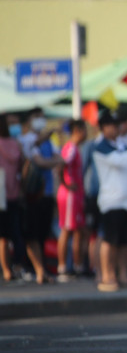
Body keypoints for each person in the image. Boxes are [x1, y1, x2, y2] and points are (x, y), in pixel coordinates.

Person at [92, 111, 127, 292]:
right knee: (109, 241)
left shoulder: (122, 144)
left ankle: (122, 275)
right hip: (111, 201)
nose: (116, 128)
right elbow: (122, 162)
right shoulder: (100, 146)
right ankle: (107, 275)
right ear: (103, 127)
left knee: (123, 242)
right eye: (112, 125)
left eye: (117, 125)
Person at [19, 108, 61, 284]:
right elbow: (40, 161)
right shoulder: (27, 139)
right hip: (32, 195)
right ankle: (30, 268)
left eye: (42, 117)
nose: (40, 120)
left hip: (48, 193)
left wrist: (50, 162)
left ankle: (41, 270)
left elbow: (59, 159)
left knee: (43, 234)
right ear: (29, 121)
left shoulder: (48, 142)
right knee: (32, 234)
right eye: (37, 117)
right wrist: (51, 161)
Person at [56, 119, 87, 281]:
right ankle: (62, 268)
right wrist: (66, 184)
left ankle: (77, 267)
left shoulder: (75, 148)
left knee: (78, 230)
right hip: (69, 196)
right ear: (78, 130)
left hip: (75, 195)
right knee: (67, 230)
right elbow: (61, 165)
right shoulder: (71, 148)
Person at [0, 115, 23, 282]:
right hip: (14, 192)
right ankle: (13, 268)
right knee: (12, 233)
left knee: (3, 236)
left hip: (3, 194)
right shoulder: (17, 145)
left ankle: (7, 270)